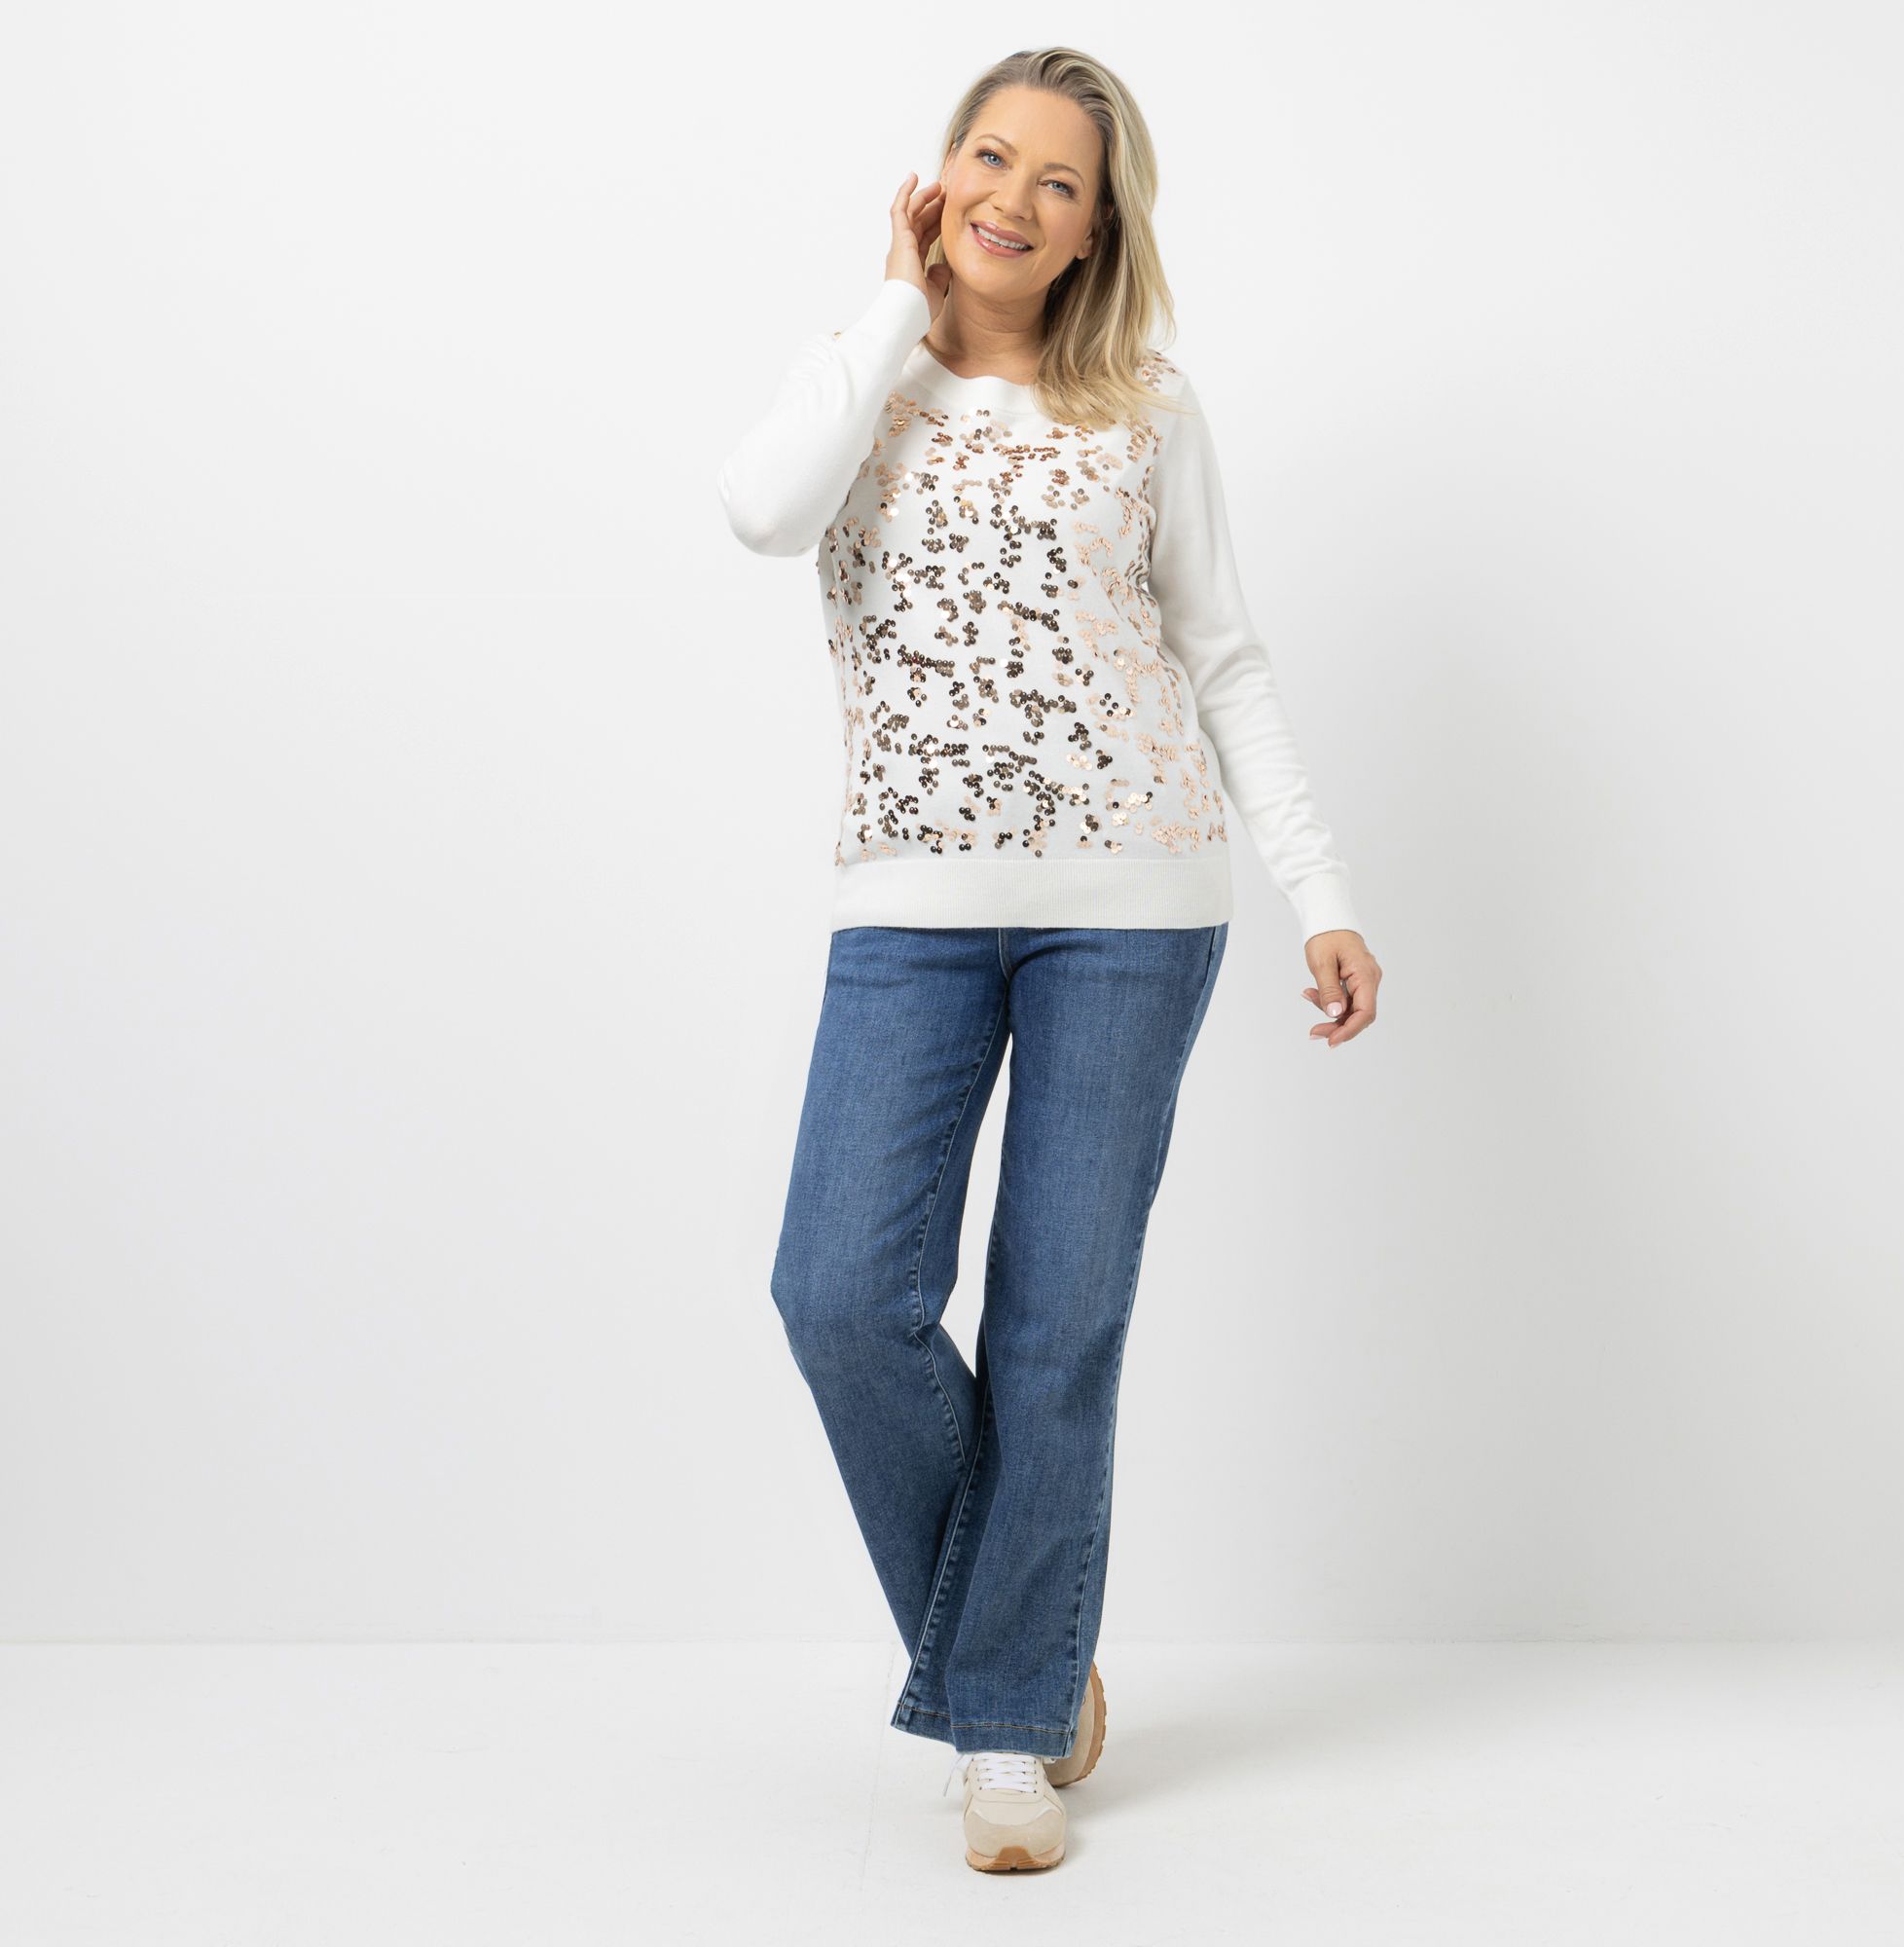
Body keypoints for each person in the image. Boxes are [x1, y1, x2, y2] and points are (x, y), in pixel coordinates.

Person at [717, 47, 1382, 1873]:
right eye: (988, 157)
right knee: (839, 1297)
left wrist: (1321, 889)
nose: (1014, 197)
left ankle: (1008, 1736)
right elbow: (762, 510)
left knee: (1056, 1328)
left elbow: (1223, 658)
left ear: (1098, 229)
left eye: (1059, 181)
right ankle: (1028, 1663)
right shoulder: (860, 380)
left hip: (1137, 907)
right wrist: (891, 303)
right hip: (909, 912)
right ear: (936, 177)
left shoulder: (1148, 406)